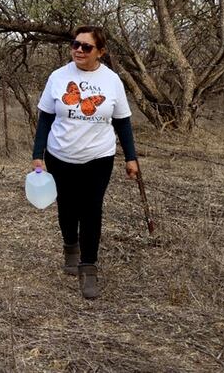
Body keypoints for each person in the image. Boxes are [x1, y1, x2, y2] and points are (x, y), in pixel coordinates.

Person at [31, 26, 140, 299]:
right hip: (60, 156)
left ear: (100, 51)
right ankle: (70, 246)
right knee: (67, 208)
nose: (79, 50)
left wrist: (131, 157)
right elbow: (45, 118)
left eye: (86, 47)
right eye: (75, 44)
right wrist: (38, 155)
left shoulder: (112, 80)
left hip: (98, 157)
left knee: (91, 210)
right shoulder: (58, 77)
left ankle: (88, 268)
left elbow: (122, 122)